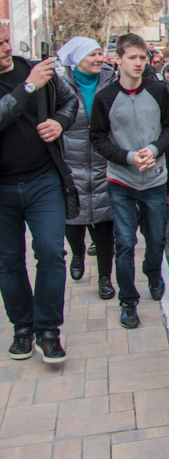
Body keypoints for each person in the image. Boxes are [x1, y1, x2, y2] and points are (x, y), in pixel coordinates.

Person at [0, 26, 79, 363]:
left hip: (44, 179)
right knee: (8, 262)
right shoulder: (32, 78)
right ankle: (23, 327)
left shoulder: (34, 67)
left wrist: (61, 122)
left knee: (50, 253)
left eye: (4, 40)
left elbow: (70, 102)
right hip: (2, 189)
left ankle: (48, 331)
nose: (6, 47)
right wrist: (29, 86)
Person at [90, 33, 169, 330]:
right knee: (125, 242)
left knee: (156, 239)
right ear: (118, 60)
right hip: (122, 180)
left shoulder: (158, 90)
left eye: (143, 57)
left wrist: (154, 150)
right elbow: (97, 139)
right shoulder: (105, 97)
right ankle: (128, 301)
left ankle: (153, 272)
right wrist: (127, 157)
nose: (139, 63)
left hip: (154, 180)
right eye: (132, 57)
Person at [58, 37, 116, 300]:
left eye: (100, 53)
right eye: (92, 54)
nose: (98, 59)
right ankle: (78, 255)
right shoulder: (60, 86)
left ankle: (105, 277)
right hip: (73, 164)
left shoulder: (111, 81)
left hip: (105, 163)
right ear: (76, 60)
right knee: (74, 220)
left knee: (104, 226)